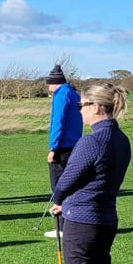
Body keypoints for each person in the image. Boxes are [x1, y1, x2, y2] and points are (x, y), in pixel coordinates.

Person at [50, 83, 131, 264]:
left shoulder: (91, 141)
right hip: (105, 221)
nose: (80, 110)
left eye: (83, 105)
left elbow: (65, 182)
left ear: (97, 107)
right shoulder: (121, 139)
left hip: (82, 225)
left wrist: (60, 201)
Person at [45, 64, 82, 237]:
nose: (48, 87)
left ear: (54, 83)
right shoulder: (74, 93)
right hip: (75, 145)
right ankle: (72, 225)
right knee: (72, 185)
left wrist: (53, 148)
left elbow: (57, 123)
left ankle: (61, 228)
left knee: (59, 187)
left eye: (49, 84)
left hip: (62, 147)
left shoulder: (60, 96)